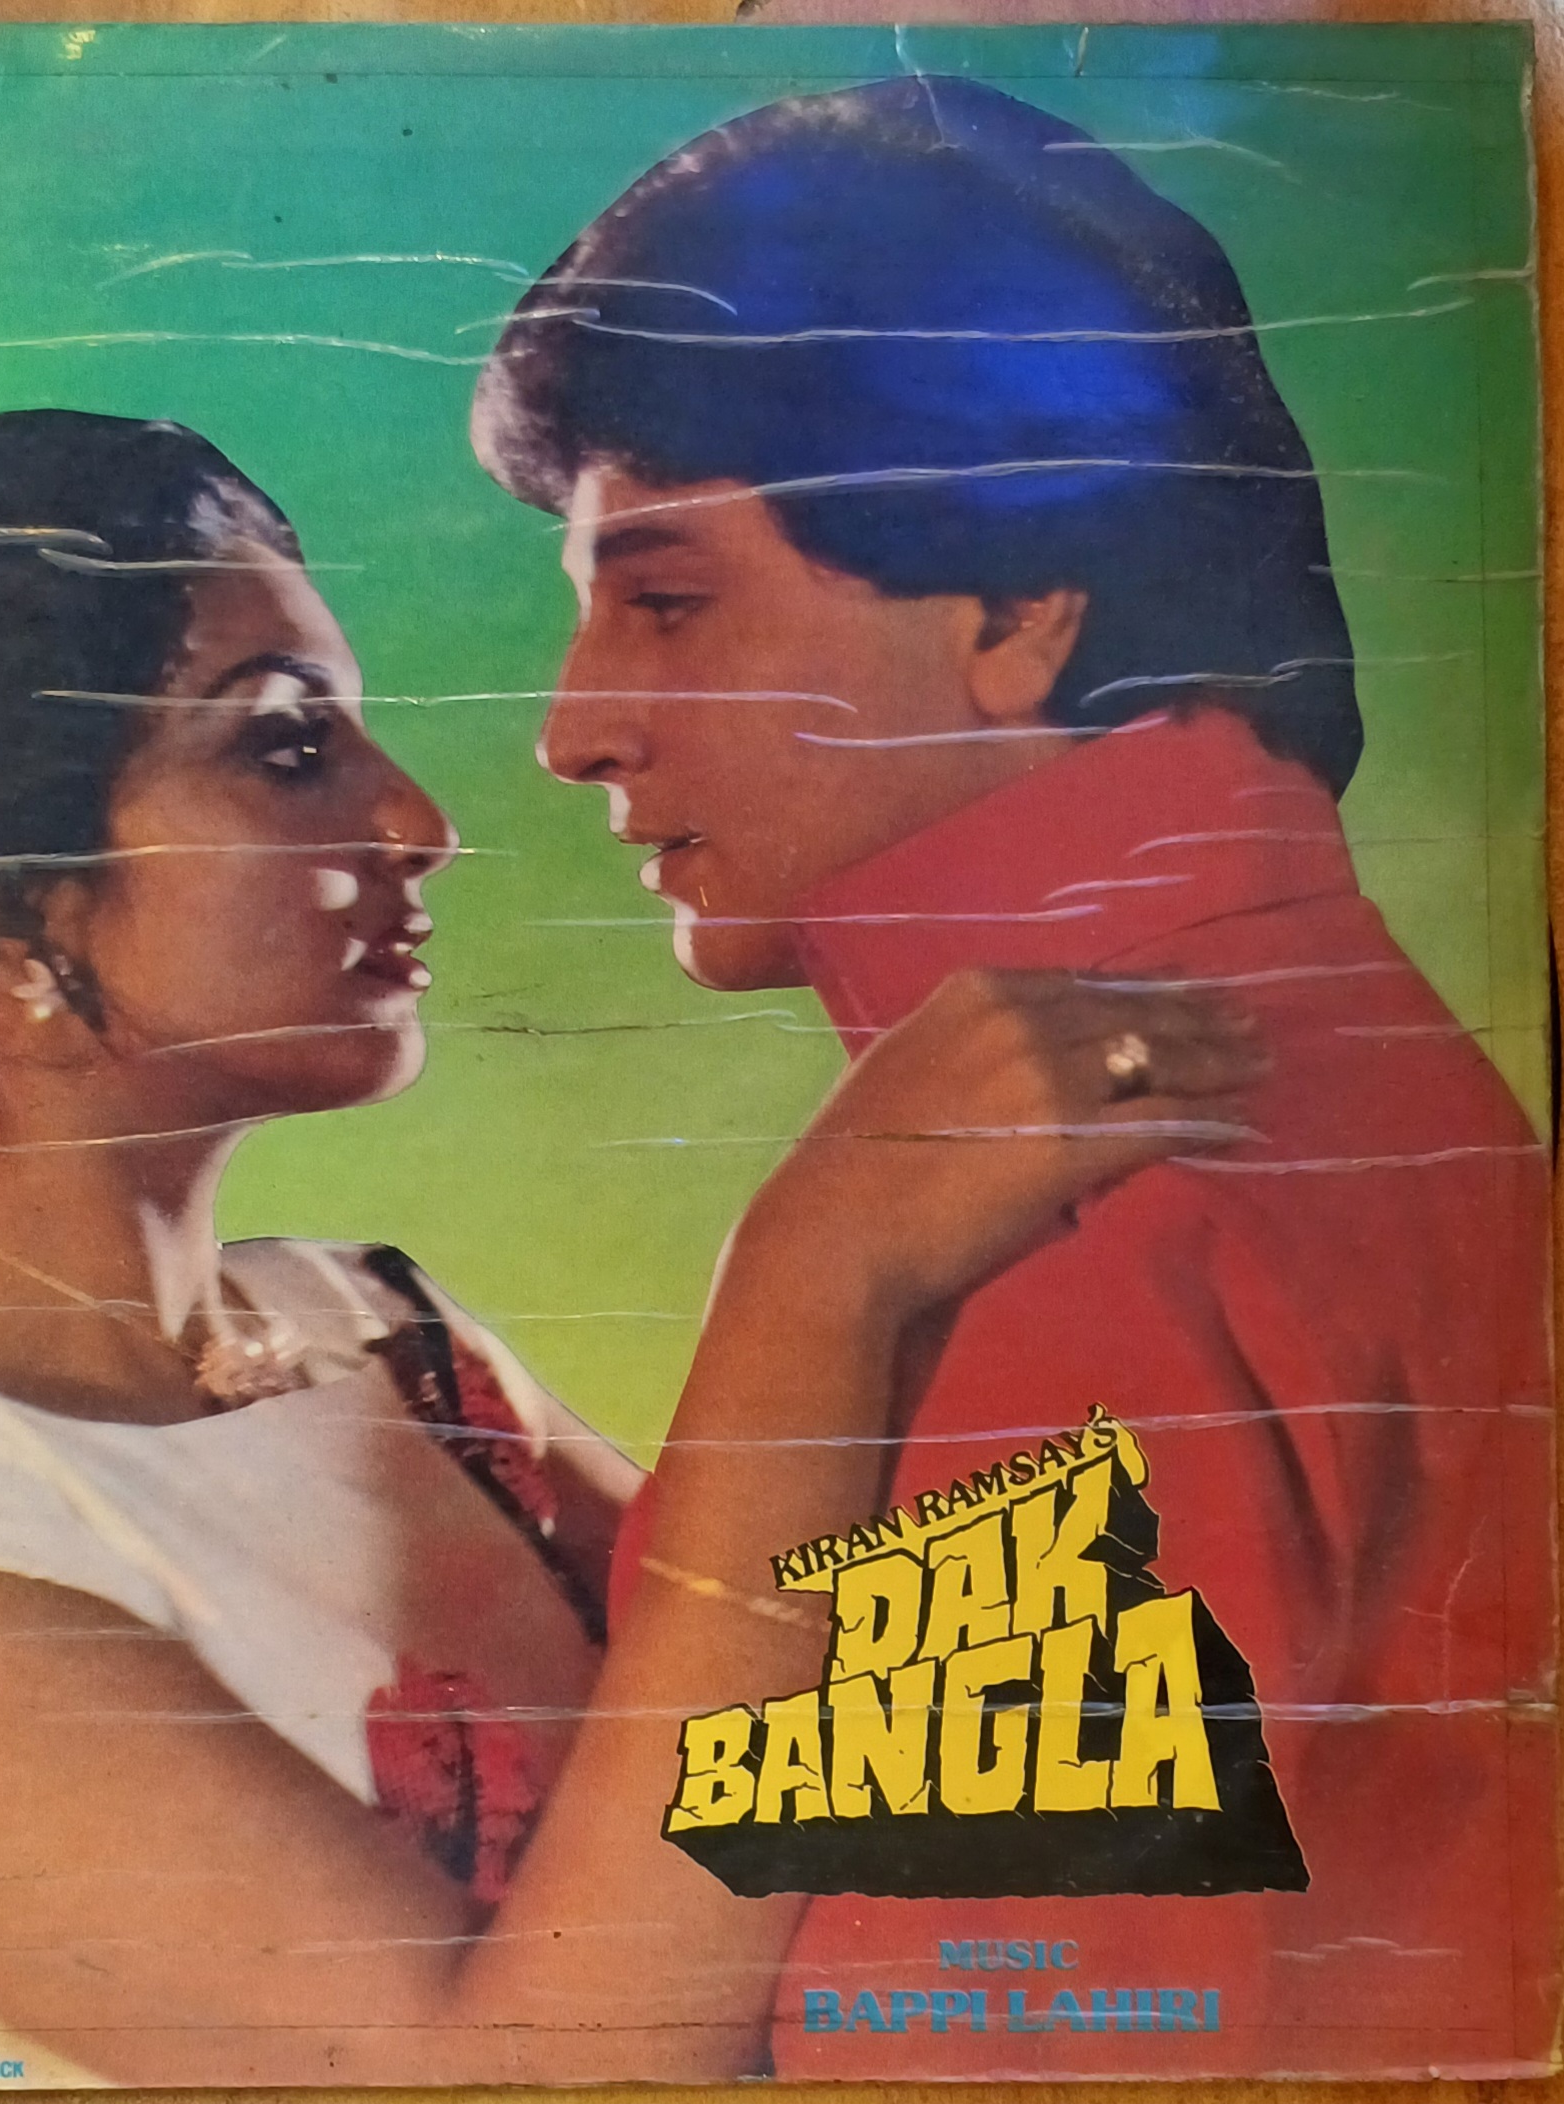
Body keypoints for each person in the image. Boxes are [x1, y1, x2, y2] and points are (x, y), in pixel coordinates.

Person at [0, 409, 1260, 2082]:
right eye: (287, 746)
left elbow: (877, 1770)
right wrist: (822, 1271)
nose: (418, 821)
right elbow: (535, 2071)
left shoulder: (377, 1335)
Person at [471, 76, 1553, 2076]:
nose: (570, 728)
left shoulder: (1035, 1230)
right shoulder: (1361, 1048)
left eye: (667, 601)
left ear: (1014, 610)